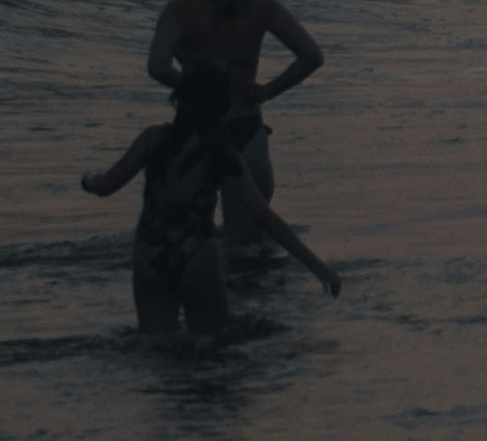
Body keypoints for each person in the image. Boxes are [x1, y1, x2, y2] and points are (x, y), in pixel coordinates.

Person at [82, 65, 342, 336]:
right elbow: (264, 217)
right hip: (196, 255)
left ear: (178, 99)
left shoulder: (153, 140)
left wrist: (88, 180)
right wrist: (319, 268)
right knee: (213, 346)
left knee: (156, 349)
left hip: (149, 252)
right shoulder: (221, 154)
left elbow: (105, 186)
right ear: (223, 108)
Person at [148, 0, 324, 204]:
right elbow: (311, 56)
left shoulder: (178, 11)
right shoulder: (261, 6)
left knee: (190, 238)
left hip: (195, 133)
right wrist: (267, 91)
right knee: (248, 246)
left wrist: (195, 87)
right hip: (247, 130)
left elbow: (157, 66)